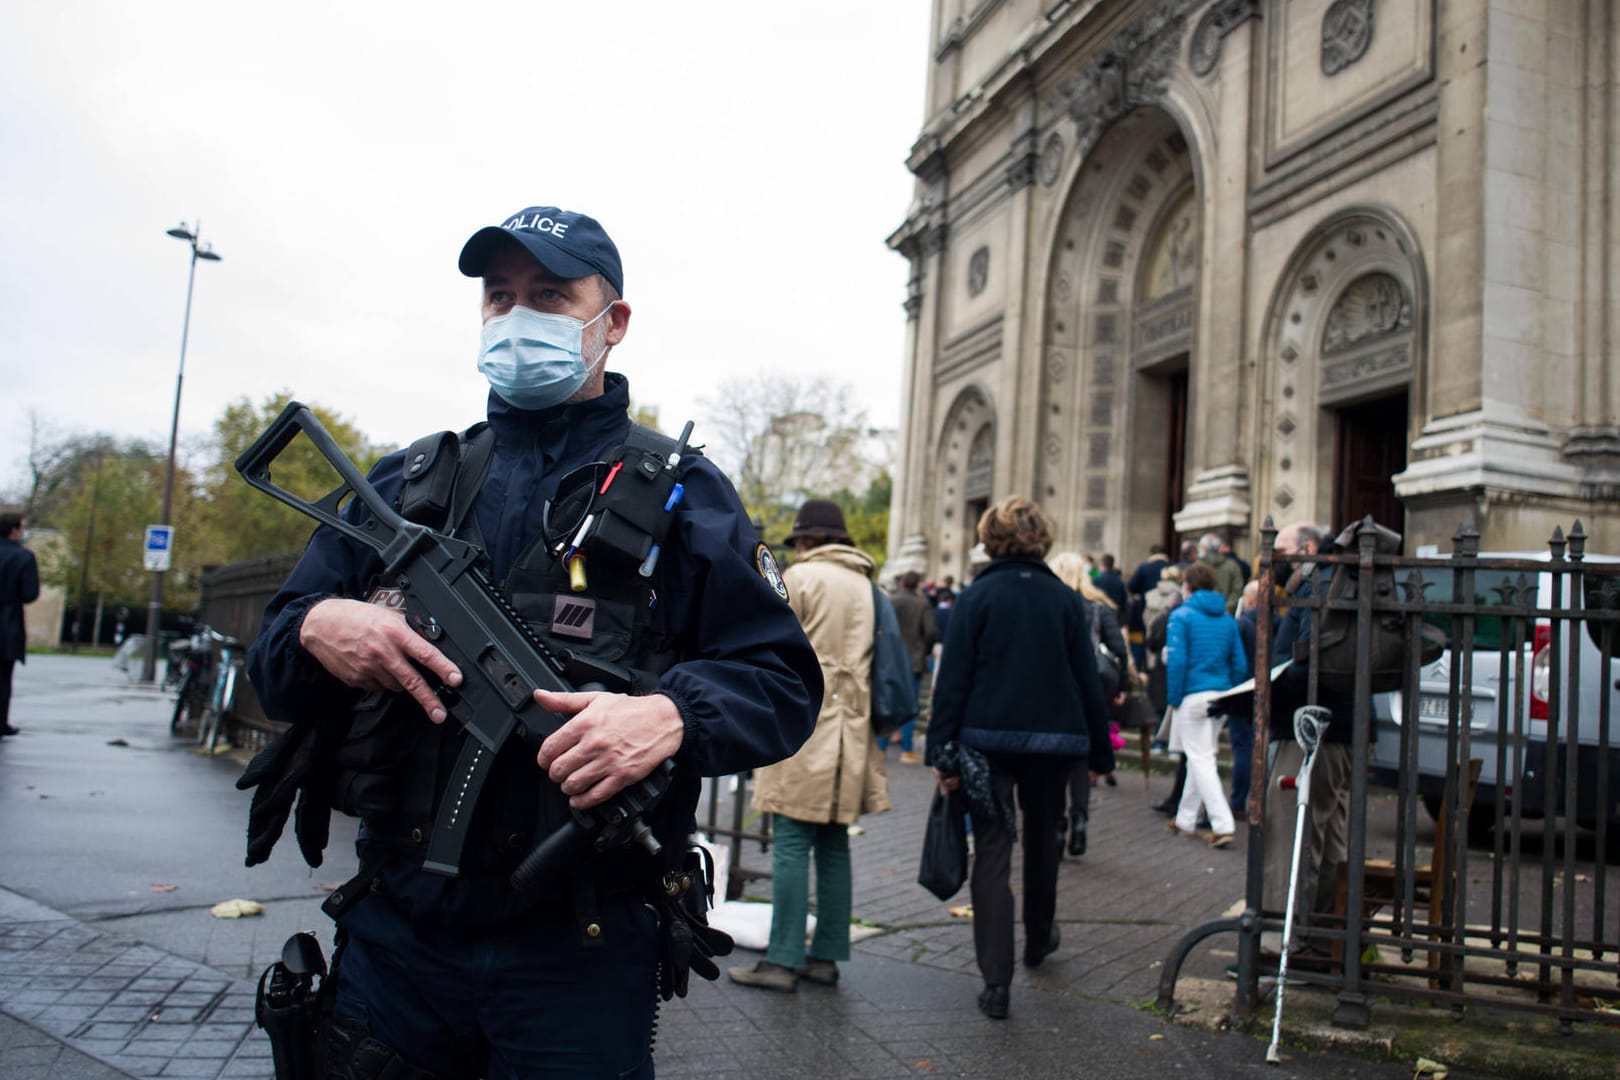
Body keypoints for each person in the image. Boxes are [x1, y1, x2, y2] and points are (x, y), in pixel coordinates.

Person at [242, 205, 823, 1079]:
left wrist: (671, 714)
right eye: (500, 297)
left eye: (550, 296)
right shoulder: (403, 485)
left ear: (611, 322)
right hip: (395, 936)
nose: (519, 317)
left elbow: (781, 681)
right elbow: (275, 663)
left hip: (578, 952)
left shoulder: (683, 496)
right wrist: (321, 626)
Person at [926, 497, 1114, 1020]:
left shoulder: (978, 595)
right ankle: (1038, 938)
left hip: (986, 743)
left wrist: (941, 752)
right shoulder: (1064, 599)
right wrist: (1100, 751)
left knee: (991, 852)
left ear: (990, 537)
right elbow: (1087, 681)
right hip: (1055, 746)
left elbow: (954, 681)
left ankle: (996, 982)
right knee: (1043, 844)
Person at [729, 500, 890, 992]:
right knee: (835, 841)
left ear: (804, 540)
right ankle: (826, 956)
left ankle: (781, 959)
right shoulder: (867, 586)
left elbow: (763, 641)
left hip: (802, 719)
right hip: (851, 726)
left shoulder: (798, 578)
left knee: (793, 840)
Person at [1263, 522, 1354, 949]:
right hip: (1336, 725)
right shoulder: (1328, 582)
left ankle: (1282, 942)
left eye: (1279, 551)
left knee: (1291, 833)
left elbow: (1312, 658)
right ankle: (1323, 938)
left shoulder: (1319, 585)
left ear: (1308, 548)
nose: (1273, 560)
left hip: (1312, 727)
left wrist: (1268, 684)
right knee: (1326, 831)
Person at [1162, 561, 1247, 848]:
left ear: (1187, 586)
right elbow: (1240, 663)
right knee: (1203, 754)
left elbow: (1177, 661)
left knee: (1200, 759)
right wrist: (1230, 693)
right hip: (1220, 694)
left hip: (1192, 695)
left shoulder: (1181, 616)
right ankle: (1185, 818)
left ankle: (1222, 823)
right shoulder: (1227, 620)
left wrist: (1173, 698)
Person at [1048, 551, 1127, 858]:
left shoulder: (1050, 605)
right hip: (1089, 687)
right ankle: (1080, 818)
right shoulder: (1098, 609)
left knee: (1054, 757)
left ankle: (1057, 824)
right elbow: (1118, 651)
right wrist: (1121, 688)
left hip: (1053, 688)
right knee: (1080, 759)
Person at [880, 570, 935, 764]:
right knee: (911, 706)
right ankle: (907, 750)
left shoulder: (891, 602)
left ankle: (880, 748)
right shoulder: (922, 604)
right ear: (917, 584)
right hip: (914, 660)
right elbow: (930, 632)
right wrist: (924, 649)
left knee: (888, 703)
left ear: (902, 583)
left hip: (891, 659)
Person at [0, 513, 39, 739]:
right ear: (13, 531)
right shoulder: (23, 557)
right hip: (8, 620)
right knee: (4, 676)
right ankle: (1, 720)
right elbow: (29, 594)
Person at [1125, 542, 1171, 669]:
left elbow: (1131, 586)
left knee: (1146, 639)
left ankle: (1143, 668)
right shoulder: (1171, 567)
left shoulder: (1144, 568)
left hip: (1147, 609)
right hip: (1168, 610)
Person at [1198, 533, 1244, 613]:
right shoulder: (1233, 566)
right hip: (1226, 613)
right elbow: (1237, 591)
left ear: (1205, 548)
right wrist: (1227, 607)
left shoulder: (1197, 567)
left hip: (1202, 612)